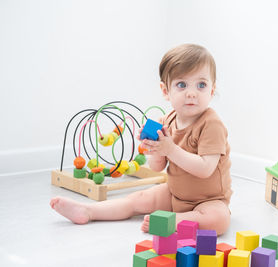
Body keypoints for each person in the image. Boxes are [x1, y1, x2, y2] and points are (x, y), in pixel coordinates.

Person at [50, 44, 232, 235]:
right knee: (138, 198)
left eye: (201, 85)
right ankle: (88, 211)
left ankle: (171, 221)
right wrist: (153, 149)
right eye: (182, 84)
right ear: (165, 91)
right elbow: (156, 167)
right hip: (175, 194)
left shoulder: (212, 124)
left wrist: (170, 149)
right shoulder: (165, 123)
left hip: (210, 201)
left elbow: (205, 169)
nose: (192, 93)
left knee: (218, 220)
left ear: (212, 91)